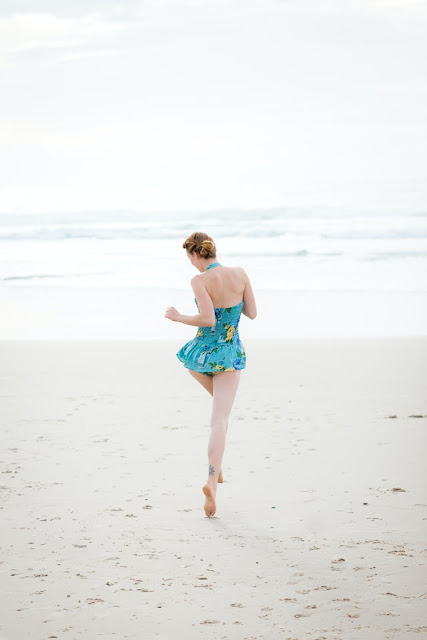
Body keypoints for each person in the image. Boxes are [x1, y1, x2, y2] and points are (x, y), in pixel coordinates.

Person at [165, 232, 257, 517]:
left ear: (194, 255)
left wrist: (178, 316)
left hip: (201, 357)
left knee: (219, 417)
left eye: (189, 259)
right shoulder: (240, 273)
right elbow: (251, 313)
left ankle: (215, 474)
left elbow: (207, 319)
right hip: (229, 355)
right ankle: (211, 480)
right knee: (220, 420)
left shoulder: (199, 280)